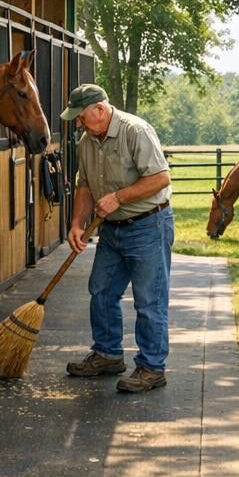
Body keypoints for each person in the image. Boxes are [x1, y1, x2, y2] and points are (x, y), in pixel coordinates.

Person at [60, 83, 174, 393]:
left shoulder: (135, 131)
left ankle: (152, 367)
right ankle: (107, 354)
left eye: (81, 117)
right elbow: (84, 185)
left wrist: (119, 197)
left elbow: (161, 177)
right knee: (101, 290)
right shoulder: (86, 141)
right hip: (112, 230)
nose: (78, 124)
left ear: (99, 109)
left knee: (149, 300)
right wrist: (77, 224)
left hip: (148, 225)